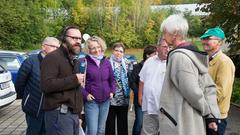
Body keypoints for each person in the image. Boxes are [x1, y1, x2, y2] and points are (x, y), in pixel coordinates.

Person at [159, 14, 221, 135]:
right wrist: (211, 115)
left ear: (175, 33)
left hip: (182, 122)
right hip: (190, 120)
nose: (163, 36)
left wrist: (208, 113)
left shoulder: (179, 57)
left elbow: (192, 91)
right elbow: (208, 86)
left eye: (165, 32)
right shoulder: (192, 53)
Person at [40, 25, 85, 135]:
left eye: (79, 39)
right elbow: (46, 85)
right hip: (58, 115)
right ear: (64, 38)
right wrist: (74, 79)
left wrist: (79, 115)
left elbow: (76, 91)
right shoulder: (52, 57)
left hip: (73, 115)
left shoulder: (75, 60)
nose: (77, 41)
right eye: (74, 38)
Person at [15, 37, 60, 135]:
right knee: (33, 132)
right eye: (54, 47)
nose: (56, 50)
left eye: (58, 47)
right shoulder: (31, 61)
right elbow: (19, 83)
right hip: (34, 107)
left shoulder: (57, 63)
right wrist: (28, 97)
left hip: (50, 108)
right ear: (44, 47)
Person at [200, 27, 235, 135]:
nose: (204, 41)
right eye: (203, 39)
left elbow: (221, 93)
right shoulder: (205, 59)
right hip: (205, 113)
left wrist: (199, 102)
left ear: (219, 42)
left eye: (208, 38)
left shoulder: (224, 62)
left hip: (215, 116)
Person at [82, 36, 116, 135]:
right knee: (92, 131)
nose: (97, 50)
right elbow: (78, 84)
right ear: (88, 49)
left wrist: (112, 91)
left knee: (100, 131)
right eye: (93, 48)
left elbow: (112, 80)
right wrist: (86, 95)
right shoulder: (83, 63)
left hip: (106, 101)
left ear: (102, 47)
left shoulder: (107, 62)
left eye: (98, 47)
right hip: (92, 102)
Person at [138, 39, 169, 135]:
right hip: (149, 106)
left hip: (166, 109)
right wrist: (140, 95)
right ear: (158, 47)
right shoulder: (149, 61)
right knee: (148, 133)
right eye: (165, 47)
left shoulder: (173, 62)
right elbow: (142, 80)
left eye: (170, 47)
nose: (167, 49)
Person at [129, 45, 157, 135]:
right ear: (147, 55)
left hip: (153, 100)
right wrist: (139, 93)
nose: (156, 55)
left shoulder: (156, 66)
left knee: (152, 124)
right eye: (154, 54)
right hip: (140, 99)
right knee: (139, 122)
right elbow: (132, 82)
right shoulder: (138, 66)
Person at [105, 42, 131, 135]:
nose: (118, 53)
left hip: (123, 98)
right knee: (109, 124)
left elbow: (130, 80)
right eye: (116, 50)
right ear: (112, 51)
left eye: (121, 51)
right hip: (110, 97)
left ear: (123, 53)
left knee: (123, 124)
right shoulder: (106, 62)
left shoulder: (127, 64)